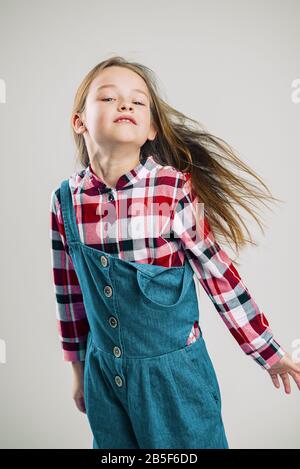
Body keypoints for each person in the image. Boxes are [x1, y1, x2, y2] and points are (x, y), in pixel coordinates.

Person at [49, 56, 300, 449]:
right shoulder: (65, 201)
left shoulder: (173, 189)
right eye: (109, 97)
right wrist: (79, 371)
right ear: (79, 121)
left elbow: (218, 274)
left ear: (150, 128)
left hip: (175, 379)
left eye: (137, 101)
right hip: (105, 381)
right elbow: (69, 294)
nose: (125, 105)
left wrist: (269, 352)